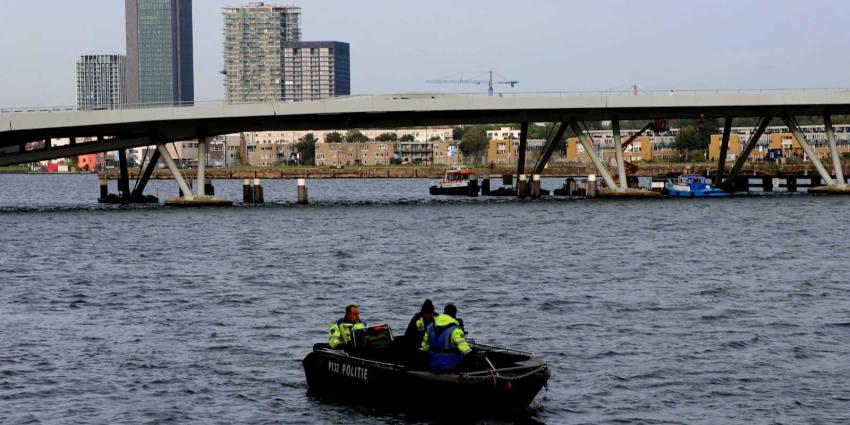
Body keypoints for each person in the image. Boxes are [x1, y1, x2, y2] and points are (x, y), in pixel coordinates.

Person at [421, 303, 472, 372]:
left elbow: (425, 348)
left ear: (444, 312)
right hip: (450, 366)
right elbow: (466, 351)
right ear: (455, 314)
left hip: (433, 364)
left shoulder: (429, 327)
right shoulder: (455, 330)